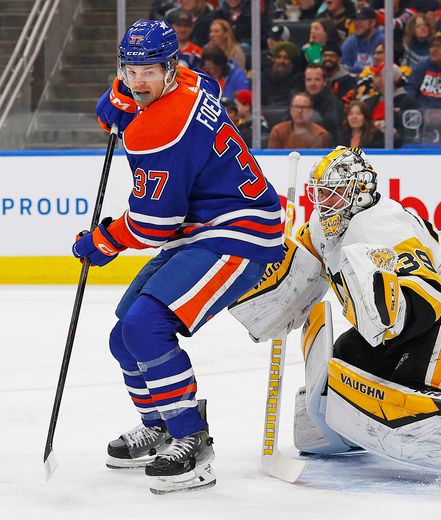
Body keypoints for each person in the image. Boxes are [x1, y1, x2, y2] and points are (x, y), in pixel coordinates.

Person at [234, 146, 441, 491]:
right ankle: (348, 426)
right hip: (412, 327)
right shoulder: (322, 228)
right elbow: (298, 283)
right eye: (319, 194)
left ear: (358, 193)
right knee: (348, 361)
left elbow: (425, 301)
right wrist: (268, 294)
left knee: (403, 395)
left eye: (332, 195)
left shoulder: (380, 224)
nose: (323, 204)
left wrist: (385, 376)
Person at [86, 19, 283, 494]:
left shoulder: (159, 128)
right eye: (129, 70)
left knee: (145, 328)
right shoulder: (195, 82)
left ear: (170, 67)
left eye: (149, 71)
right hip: (203, 229)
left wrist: (102, 241)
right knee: (124, 334)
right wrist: (120, 98)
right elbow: (193, 87)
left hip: (239, 233)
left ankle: (191, 440)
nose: (138, 82)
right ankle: (158, 427)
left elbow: (155, 225)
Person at [268, 92, 332, 148]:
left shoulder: (320, 134)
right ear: (291, 109)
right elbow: (272, 158)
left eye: (304, 107)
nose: (299, 111)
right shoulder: (278, 131)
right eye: (296, 106)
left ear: (311, 110)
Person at [305, 63, 345, 140]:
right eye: (309, 80)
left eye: (317, 79)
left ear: (325, 82)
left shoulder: (335, 105)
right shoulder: (298, 102)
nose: (312, 84)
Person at [341, 7, 385, 73]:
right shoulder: (350, 42)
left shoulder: (383, 40)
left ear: (373, 22)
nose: (357, 23)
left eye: (362, 19)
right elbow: (344, 68)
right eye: (355, 19)